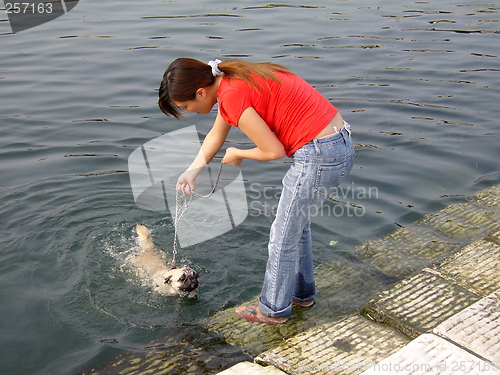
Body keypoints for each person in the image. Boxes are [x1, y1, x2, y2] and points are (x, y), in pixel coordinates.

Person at [158, 58, 354, 324]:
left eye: (186, 106)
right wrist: (193, 170)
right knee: (297, 227)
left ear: (201, 92)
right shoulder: (232, 82)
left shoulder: (231, 96)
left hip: (319, 155)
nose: (190, 111)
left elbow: (273, 151)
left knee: (282, 236)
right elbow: (217, 134)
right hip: (336, 144)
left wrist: (239, 153)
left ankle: (273, 311)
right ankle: (302, 295)